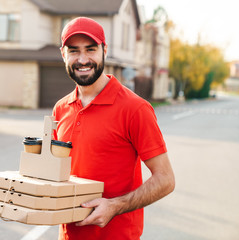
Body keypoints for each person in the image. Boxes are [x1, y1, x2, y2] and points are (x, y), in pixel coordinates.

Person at [52, 17, 175, 240]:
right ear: (63, 54)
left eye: (90, 49)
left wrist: (115, 206)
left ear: (104, 50)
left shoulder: (135, 108)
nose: (82, 59)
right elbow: (56, 174)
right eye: (74, 51)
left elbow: (165, 179)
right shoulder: (60, 109)